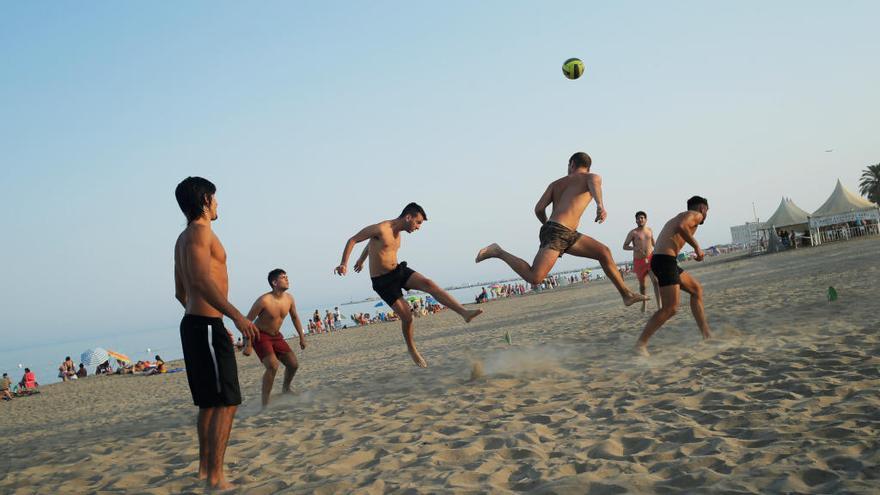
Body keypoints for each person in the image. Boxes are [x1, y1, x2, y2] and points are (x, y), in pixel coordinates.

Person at [173, 176, 259, 489]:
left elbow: (180, 291)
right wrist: (234, 316)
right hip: (206, 326)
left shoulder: (183, 237)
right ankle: (216, 477)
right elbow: (198, 282)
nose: (218, 203)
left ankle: (204, 471)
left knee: (210, 403)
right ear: (205, 200)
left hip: (198, 324)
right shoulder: (199, 233)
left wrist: (201, 315)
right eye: (215, 197)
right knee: (227, 402)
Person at [476, 152, 648, 307]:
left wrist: (546, 225)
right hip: (558, 231)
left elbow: (538, 209)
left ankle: (626, 295)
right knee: (535, 277)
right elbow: (595, 186)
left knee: (603, 252)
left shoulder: (556, 184)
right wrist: (600, 206)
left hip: (563, 232)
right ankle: (498, 251)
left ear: (572, 164)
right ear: (587, 166)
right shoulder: (592, 177)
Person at [335, 202, 483, 367]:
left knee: (429, 283)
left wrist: (361, 260)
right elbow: (354, 239)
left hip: (397, 271)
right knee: (407, 316)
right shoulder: (382, 228)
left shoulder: (398, 234)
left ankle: (464, 312)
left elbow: (371, 245)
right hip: (383, 282)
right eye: (418, 222)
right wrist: (344, 263)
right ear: (408, 217)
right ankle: (412, 349)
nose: (419, 227)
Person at [635, 196, 713, 356]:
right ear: (703, 209)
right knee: (670, 308)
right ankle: (640, 344)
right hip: (664, 260)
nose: (706, 215)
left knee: (696, 289)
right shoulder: (695, 215)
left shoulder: (683, 215)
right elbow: (681, 226)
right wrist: (697, 247)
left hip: (666, 260)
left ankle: (707, 336)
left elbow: (679, 226)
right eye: (707, 211)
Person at [243, 269, 307, 408]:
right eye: (283, 277)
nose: (287, 279)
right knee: (273, 366)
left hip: (276, 336)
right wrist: (247, 344)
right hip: (259, 335)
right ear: (274, 282)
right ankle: (265, 403)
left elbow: (295, 317)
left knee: (293, 364)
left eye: (287, 277)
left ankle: (286, 389)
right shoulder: (264, 300)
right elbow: (247, 322)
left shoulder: (289, 298)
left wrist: (302, 337)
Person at [623, 211, 662, 313]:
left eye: (642, 218)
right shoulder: (633, 233)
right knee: (643, 286)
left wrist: (659, 249)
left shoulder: (649, 230)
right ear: (635, 220)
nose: (640, 220)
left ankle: (659, 306)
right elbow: (625, 246)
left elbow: (653, 242)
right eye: (638, 218)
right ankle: (644, 304)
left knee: (656, 281)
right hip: (639, 261)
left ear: (645, 219)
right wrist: (634, 248)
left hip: (650, 259)